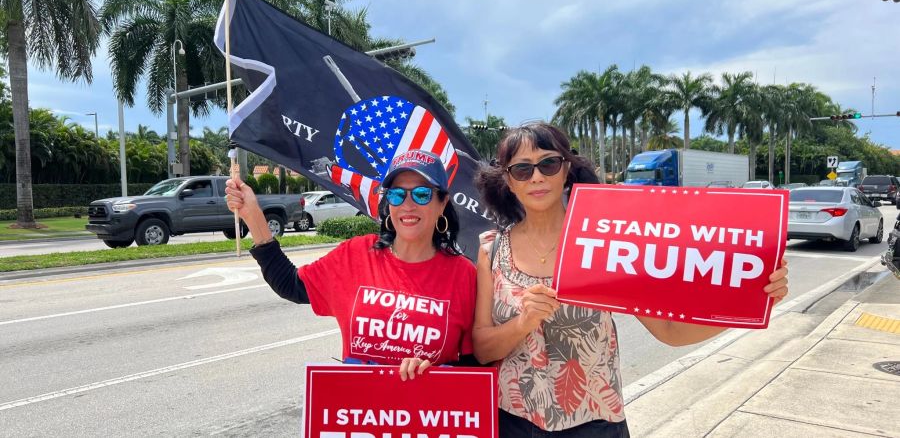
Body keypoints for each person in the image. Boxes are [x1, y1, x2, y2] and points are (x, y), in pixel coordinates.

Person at [472, 123, 789, 437]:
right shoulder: (492, 248)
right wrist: (523, 323)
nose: (537, 176)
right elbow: (482, 348)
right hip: (512, 423)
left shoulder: (604, 242)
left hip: (595, 425)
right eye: (523, 169)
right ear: (509, 181)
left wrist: (752, 304)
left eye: (549, 163)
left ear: (566, 169)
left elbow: (670, 330)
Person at [225, 149, 477, 380]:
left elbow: (476, 364)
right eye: (397, 194)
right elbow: (290, 284)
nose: (407, 204)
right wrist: (253, 215)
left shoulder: (464, 275)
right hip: (360, 419)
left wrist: (438, 375)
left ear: (442, 203)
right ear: (388, 202)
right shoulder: (356, 255)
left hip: (427, 420)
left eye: (422, 194)